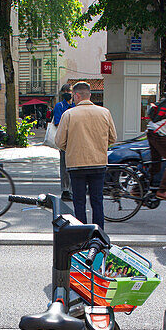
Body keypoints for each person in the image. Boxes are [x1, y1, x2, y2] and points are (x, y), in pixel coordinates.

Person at [55, 81, 117, 229]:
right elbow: (113, 138)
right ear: (89, 95)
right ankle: (99, 235)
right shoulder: (104, 112)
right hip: (98, 163)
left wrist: (71, 148)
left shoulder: (69, 114)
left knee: (79, 202)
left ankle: (82, 234)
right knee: (97, 201)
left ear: (76, 95)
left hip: (76, 164)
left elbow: (59, 141)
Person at [52, 84, 75, 200]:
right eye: (65, 91)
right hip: (65, 141)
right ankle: (65, 190)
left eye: (69, 91)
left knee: (74, 166)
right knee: (65, 166)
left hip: (76, 140)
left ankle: (73, 189)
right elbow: (57, 122)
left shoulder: (76, 106)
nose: (67, 93)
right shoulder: (59, 106)